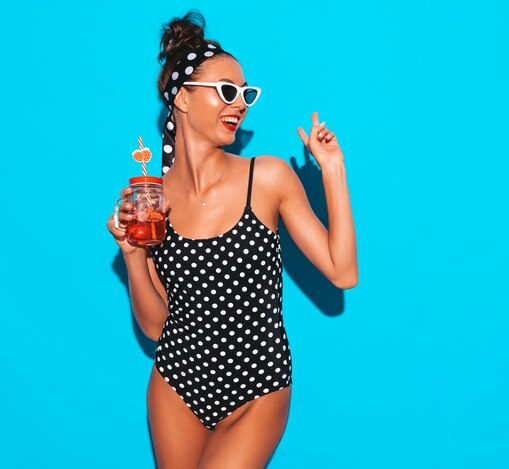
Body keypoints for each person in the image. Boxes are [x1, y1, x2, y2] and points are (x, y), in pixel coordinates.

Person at [106, 11, 357, 469]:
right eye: (226, 91)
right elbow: (155, 327)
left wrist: (333, 170)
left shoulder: (267, 179)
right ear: (181, 98)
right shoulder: (152, 200)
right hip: (176, 385)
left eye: (245, 94)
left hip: (257, 385)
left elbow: (343, 272)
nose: (239, 104)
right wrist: (132, 256)